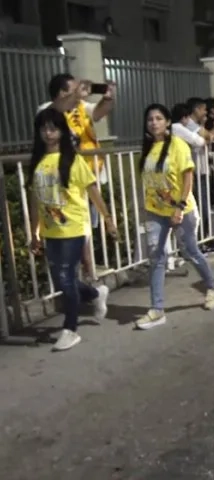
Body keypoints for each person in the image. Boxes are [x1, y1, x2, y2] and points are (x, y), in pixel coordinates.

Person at [26, 108, 115, 351]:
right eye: (44, 128)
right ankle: (96, 295)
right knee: (63, 281)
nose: (48, 132)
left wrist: (108, 220)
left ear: (63, 131)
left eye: (53, 127)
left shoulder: (72, 161)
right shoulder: (38, 163)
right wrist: (34, 232)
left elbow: (93, 192)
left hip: (73, 228)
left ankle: (70, 329)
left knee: (65, 278)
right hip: (50, 231)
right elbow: (36, 201)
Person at [135, 104, 214, 330]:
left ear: (167, 122)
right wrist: (146, 208)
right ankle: (157, 309)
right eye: (150, 119)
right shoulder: (148, 148)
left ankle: (211, 287)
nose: (154, 123)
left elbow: (187, 177)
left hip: (181, 210)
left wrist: (179, 208)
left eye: (158, 118)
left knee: (191, 252)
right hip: (155, 211)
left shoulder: (177, 145)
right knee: (156, 258)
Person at [38, 73, 116, 282]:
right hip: (59, 184)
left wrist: (108, 97)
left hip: (82, 176)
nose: (79, 93)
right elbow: (56, 112)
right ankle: (80, 282)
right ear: (61, 92)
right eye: (73, 89)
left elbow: (99, 113)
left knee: (84, 232)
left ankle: (86, 279)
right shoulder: (47, 110)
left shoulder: (81, 107)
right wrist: (75, 97)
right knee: (67, 236)